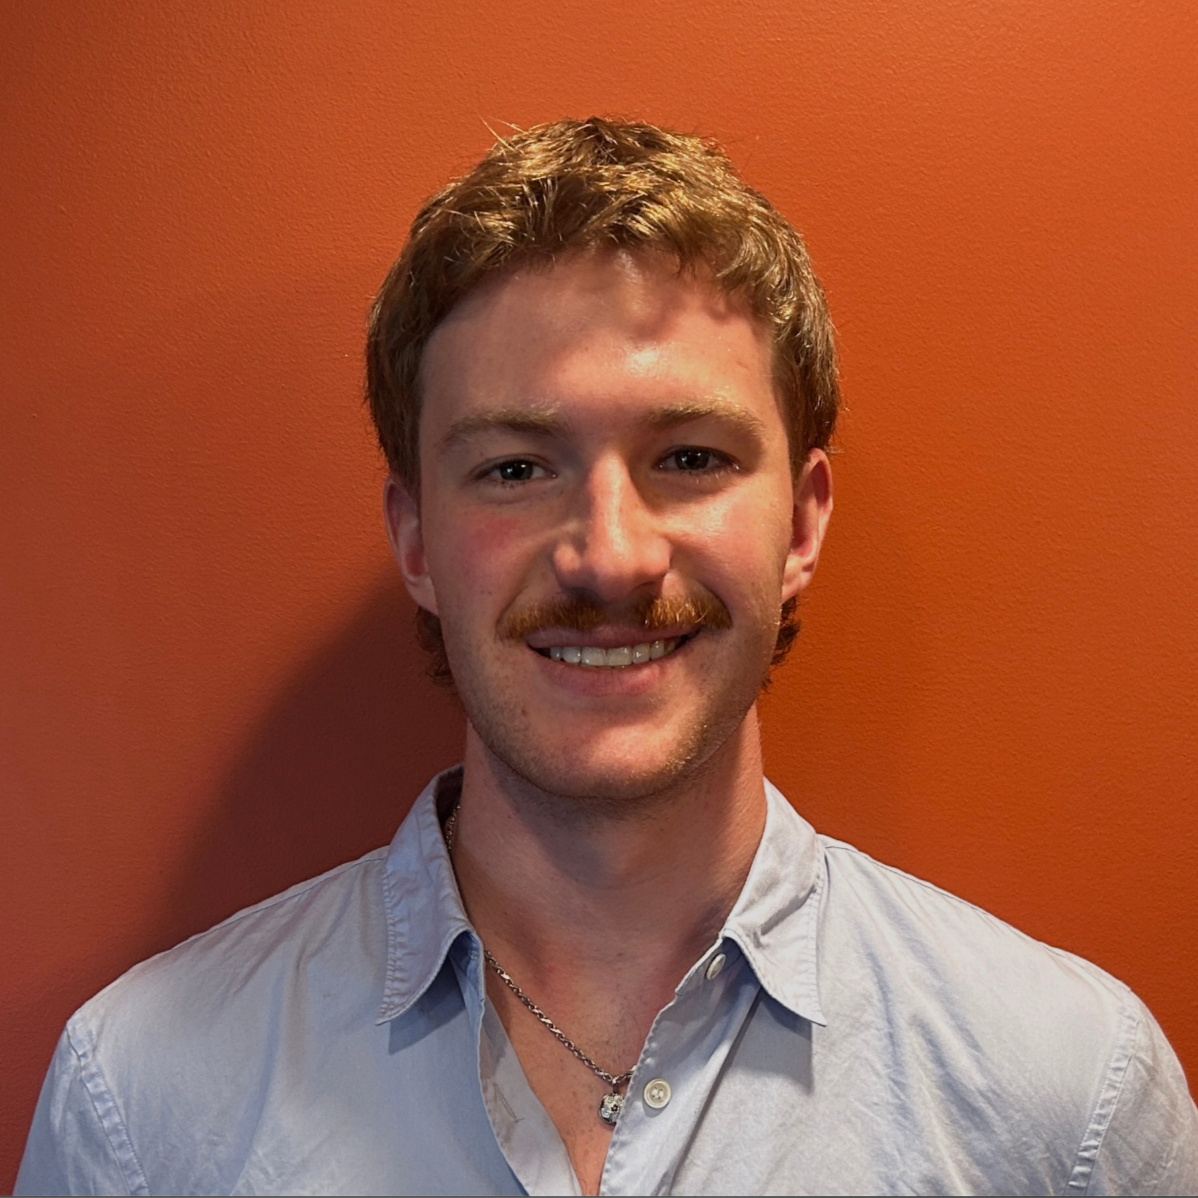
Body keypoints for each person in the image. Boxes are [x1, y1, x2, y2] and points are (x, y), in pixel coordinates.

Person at [16, 117, 1198, 1197]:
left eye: (688, 457)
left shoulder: (1065, 1102)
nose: (611, 556)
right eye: (516, 468)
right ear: (418, 541)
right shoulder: (145, 1105)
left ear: (799, 525)